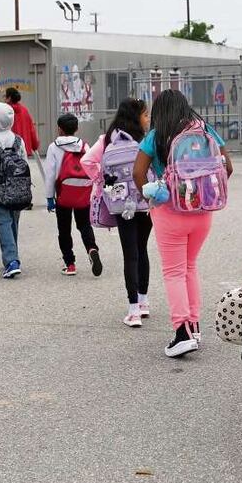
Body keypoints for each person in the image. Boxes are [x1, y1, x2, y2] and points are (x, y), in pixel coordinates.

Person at [133, 90, 232, 356]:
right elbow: (228, 167)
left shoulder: (156, 135)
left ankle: (182, 332)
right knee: (189, 267)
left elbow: (137, 172)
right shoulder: (205, 129)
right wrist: (203, 191)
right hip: (203, 211)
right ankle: (194, 326)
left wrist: (152, 193)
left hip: (170, 212)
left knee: (173, 272)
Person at [83, 98, 152, 327]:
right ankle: (143, 302)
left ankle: (132, 310)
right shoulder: (146, 141)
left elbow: (87, 161)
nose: (147, 119)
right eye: (145, 115)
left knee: (129, 254)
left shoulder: (107, 140)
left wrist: (103, 183)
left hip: (121, 204)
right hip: (144, 201)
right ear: (136, 117)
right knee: (142, 250)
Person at [45, 113, 102, 277]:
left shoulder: (53, 147)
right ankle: (92, 249)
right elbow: (93, 167)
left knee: (64, 229)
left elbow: (50, 174)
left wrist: (50, 198)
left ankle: (70, 264)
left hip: (63, 194)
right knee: (84, 225)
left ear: (59, 129)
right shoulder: (84, 146)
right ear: (76, 128)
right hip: (82, 193)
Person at [0, 102, 30, 279]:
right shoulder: (18, 139)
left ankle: (11, 261)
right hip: (18, 188)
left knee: (3, 223)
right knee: (13, 222)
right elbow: (24, 160)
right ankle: (13, 255)